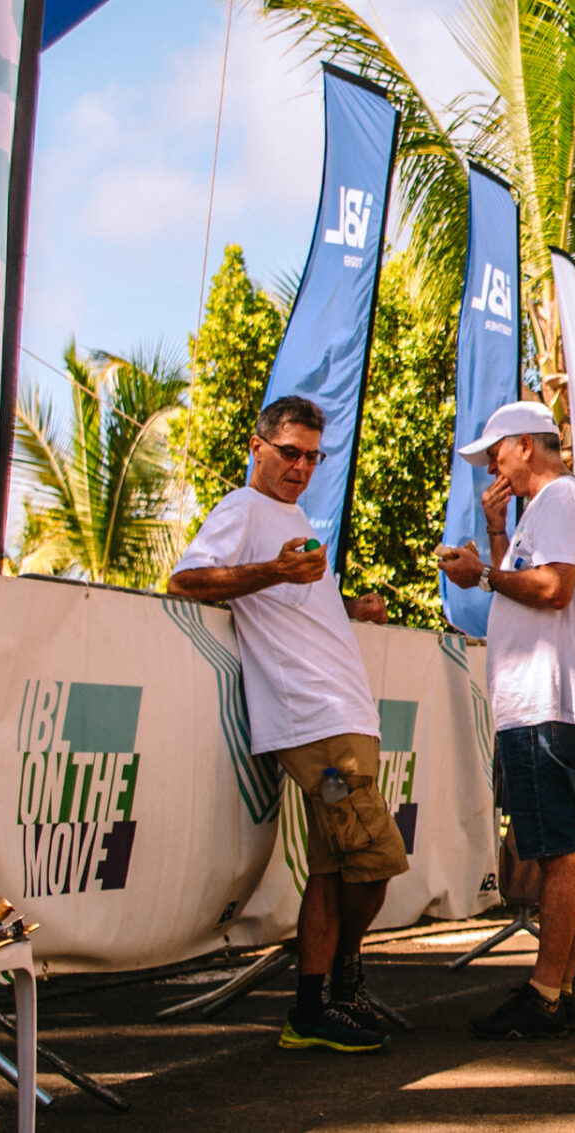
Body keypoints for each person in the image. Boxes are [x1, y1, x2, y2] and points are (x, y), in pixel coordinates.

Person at [170, 395, 401, 1053]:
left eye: (312, 457)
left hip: (341, 717)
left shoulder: (293, 516)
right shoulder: (243, 507)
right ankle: (341, 981)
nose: (301, 467)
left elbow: (294, 604)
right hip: (316, 729)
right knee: (375, 857)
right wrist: (276, 569)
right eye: (290, 452)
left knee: (333, 866)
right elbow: (184, 580)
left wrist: (349, 606)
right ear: (257, 446)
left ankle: (315, 1007)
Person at [436, 400, 575, 1041]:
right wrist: (496, 535)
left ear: (525, 446)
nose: (492, 468)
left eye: (495, 454)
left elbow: (554, 588)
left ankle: (543, 994)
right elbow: (528, 577)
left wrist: (481, 573)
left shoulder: (561, 498)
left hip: (544, 703)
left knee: (556, 855)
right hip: (546, 703)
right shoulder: (549, 505)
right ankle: (556, 991)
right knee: (567, 851)